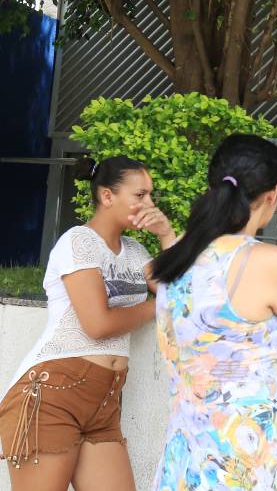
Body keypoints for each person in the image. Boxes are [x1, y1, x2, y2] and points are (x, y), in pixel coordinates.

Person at [0, 156, 176, 491]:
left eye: (150, 196)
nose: (149, 204)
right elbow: (97, 324)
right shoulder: (78, 241)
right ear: (108, 196)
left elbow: (182, 288)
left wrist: (166, 234)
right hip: (51, 397)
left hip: (103, 403)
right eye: (140, 196)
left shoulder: (135, 251)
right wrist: (159, 304)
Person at [150, 134, 277, 490]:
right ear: (274, 193)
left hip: (188, 438)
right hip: (245, 447)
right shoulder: (270, 262)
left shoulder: (175, 258)